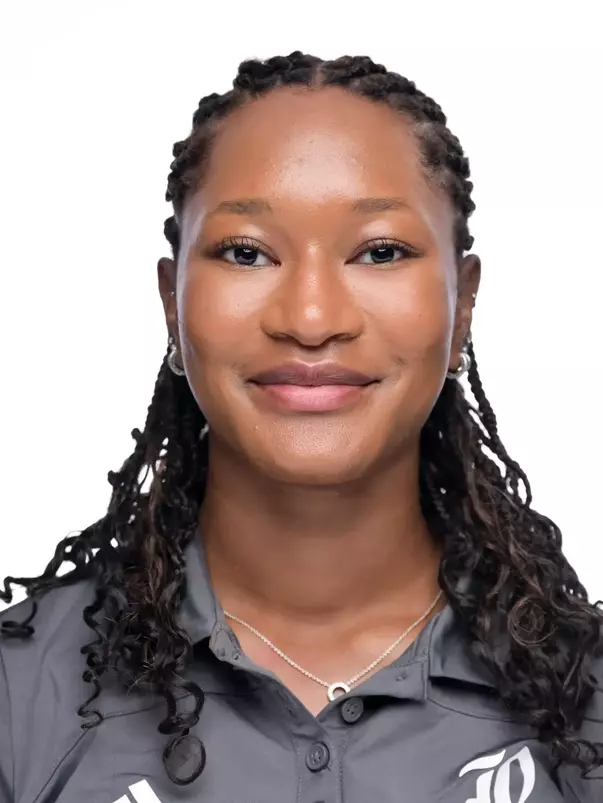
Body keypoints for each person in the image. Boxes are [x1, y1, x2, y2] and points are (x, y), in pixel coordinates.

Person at [1, 51, 601, 803]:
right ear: (172, 303)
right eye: (246, 253)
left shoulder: (585, 706)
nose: (311, 318)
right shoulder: (20, 699)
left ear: (463, 305)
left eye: (379, 251)